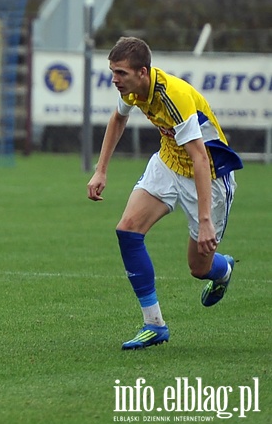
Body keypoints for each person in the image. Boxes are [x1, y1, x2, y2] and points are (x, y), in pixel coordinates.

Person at [87, 37, 242, 350]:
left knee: (199, 268)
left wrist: (205, 219)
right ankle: (154, 325)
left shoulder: (173, 96)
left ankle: (222, 269)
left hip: (209, 177)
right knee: (127, 230)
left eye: (120, 73)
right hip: (169, 163)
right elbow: (118, 119)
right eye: (112, 71)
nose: (114, 79)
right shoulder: (131, 90)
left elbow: (200, 157)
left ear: (142, 72)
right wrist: (101, 169)